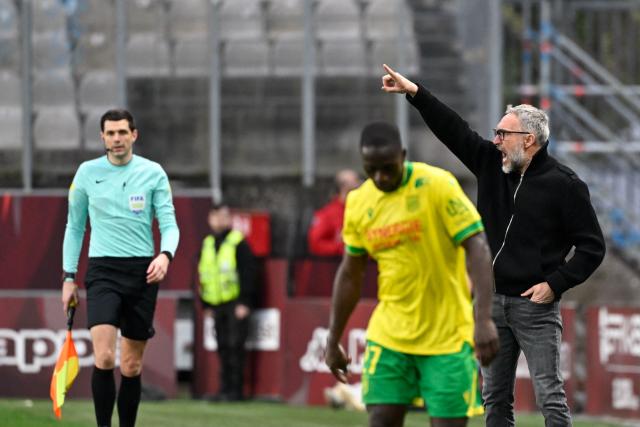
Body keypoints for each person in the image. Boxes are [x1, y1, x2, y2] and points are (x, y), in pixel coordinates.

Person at [380, 64, 606, 426]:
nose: (496, 140)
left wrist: (555, 284)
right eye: (496, 134)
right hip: (492, 306)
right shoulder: (490, 163)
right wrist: (415, 92)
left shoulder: (566, 185)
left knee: (550, 397)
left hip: (535, 308)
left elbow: (593, 248)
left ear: (528, 140)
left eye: (503, 134)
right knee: (495, 399)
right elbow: (453, 129)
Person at [325, 122, 500, 427]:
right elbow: (350, 274)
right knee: (380, 419)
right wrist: (332, 338)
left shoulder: (437, 185)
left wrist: (483, 318)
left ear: (403, 155)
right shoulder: (358, 202)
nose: (380, 177)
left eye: (388, 168)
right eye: (371, 169)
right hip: (390, 335)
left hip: (447, 336)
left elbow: (477, 248)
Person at [61, 109, 180, 427]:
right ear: (102, 137)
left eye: (122, 133)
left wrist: (165, 255)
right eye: (110, 133)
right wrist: (68, 277)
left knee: (131, 365)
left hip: (143, 272)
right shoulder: (86, 173)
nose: (116, 139)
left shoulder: (153, 173)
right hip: (102, 272)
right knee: (103, 357)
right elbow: (75, 228)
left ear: (134, 135)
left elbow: (170, 225)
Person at [198, 203, 257, 401]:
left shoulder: (238, 242)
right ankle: (224, 389)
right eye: (217, 216)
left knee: (235, 346)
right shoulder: (207, 243)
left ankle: (236, 391)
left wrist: (245, 302)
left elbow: (249, 273)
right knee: (222, 346)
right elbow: (202, 275)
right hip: (216, 305)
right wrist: (206, 305)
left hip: (235, 303)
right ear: (210, 218)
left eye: (224, 216)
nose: (220, 220)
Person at [307, 169, 361, 257]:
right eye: (356, 181)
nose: (359, 185)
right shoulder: (327, 214)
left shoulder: (363, 210)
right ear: (343, 186)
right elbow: (316, 244)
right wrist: (343, 248)